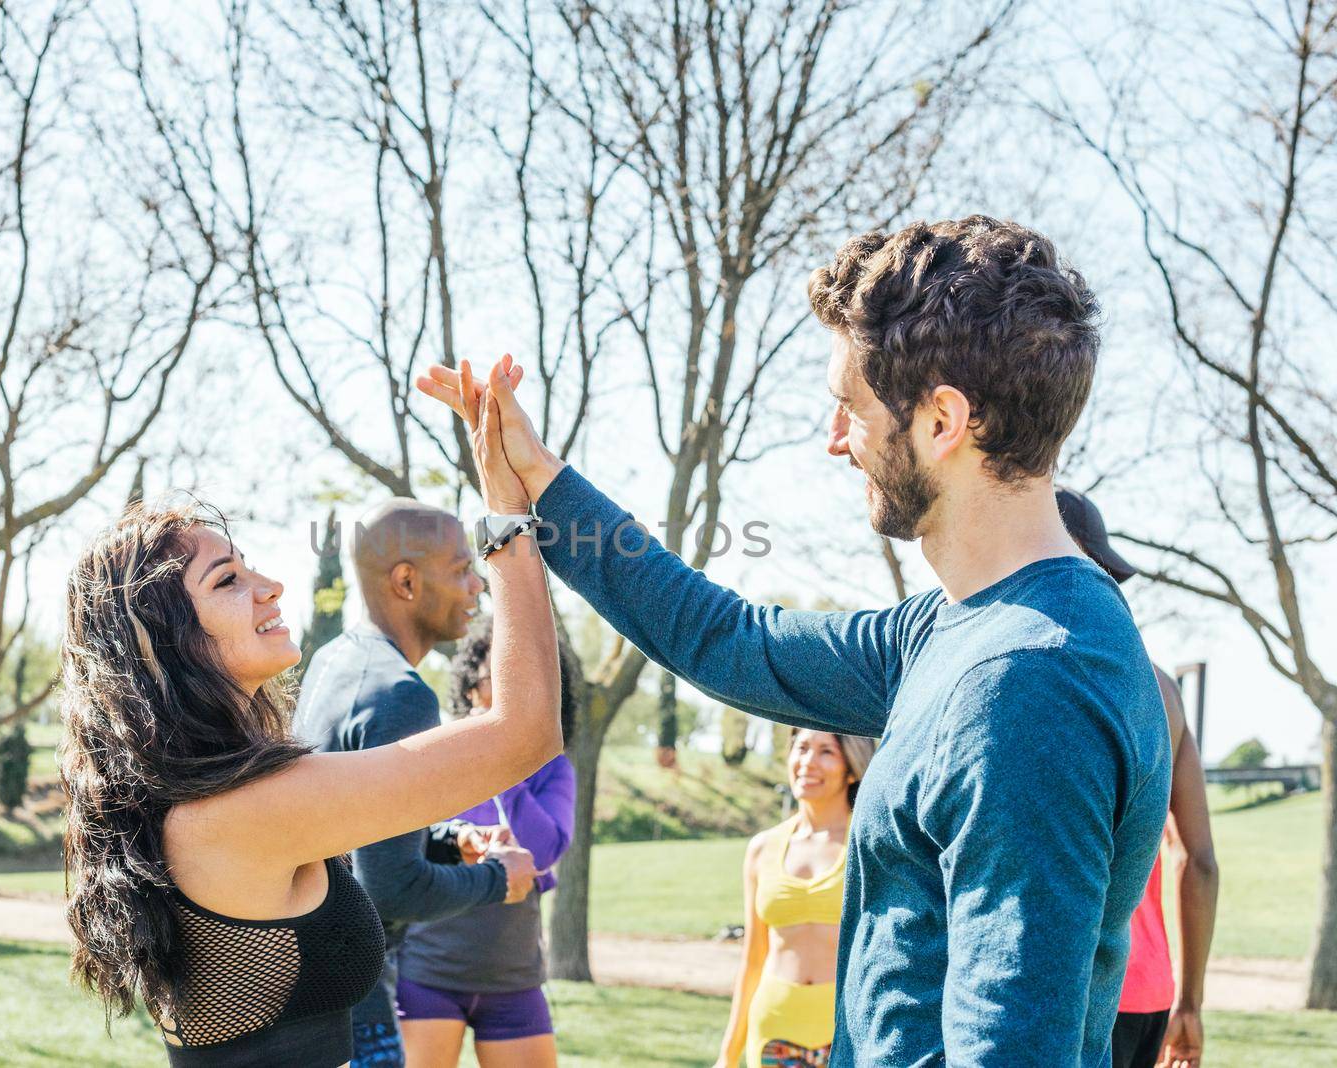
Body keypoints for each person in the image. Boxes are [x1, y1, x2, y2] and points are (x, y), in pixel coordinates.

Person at [418, 217, 1173, 1064]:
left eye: (850, 409)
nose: (836, 440)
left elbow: (1013, 1045)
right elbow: (729, 641)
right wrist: (542, 484)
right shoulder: (960, 628)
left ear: (943, 420)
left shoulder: (1028, 683)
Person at [58, 374, 561, 1067]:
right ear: (171, 640)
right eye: (227, 581)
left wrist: (442, 847)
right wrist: (507, 515)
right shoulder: (238, 809)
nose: (270, 585)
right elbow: (527, 732)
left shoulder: (213, 793)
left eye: (247, 566)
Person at [294, 499, 540, 1068]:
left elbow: (354, 830)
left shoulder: (334, 660)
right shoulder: (403, 695)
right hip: (353, 999)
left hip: (310, 984)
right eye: (460, 569)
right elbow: (390, 887)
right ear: (406, 582)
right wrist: (497, 881)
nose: (477, 585)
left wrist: (452, 840)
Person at [1057, 487, 1219, 1068]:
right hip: (1147, 991)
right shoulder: (1161, 691)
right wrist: (1190, 1004)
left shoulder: (1024, 675)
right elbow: (1196, 860)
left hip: (1052, 992)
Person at [396, 614, 578, 1068]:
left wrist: (505, 766)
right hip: (429, 973)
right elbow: (411, 851)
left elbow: (543, 851)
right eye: (498, 676)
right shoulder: (435, 756)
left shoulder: (554, 770)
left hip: (514, 978)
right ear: (472, 688)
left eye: (525, 677)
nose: (512, 690)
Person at [716, 730, 875, 1068]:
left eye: (825, 752)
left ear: (851, 767)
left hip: (846, 1031)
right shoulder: (762, 848)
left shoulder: (870, 844)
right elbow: (753, 958)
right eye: (801, 748)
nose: (808, 762)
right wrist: (727, 1056)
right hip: (774, 1026)